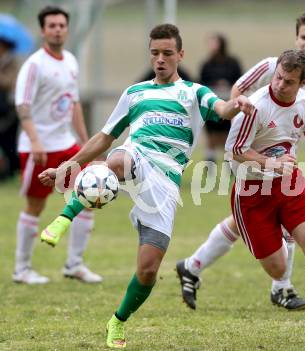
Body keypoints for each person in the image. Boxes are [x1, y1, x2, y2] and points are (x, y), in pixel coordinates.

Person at [38, 24, 254, 349]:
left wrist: (237, 103)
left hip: (165, 183)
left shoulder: (194, 93)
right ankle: (63, 219)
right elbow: (104, 137)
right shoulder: (135, 93)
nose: (161, 59)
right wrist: (67, 167)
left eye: (168, 53)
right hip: (137, 153)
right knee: (116, 160)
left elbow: (221, 109)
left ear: (180, 54)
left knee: (149, 269)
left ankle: (117, 321)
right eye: (155, 53)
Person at [177, 11, 305, 311]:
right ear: (296, 37)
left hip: (285, 152)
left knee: (274, 223)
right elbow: (238, 91)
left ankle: (194, 267)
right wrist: (249, 113)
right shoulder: (272, 66)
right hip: (251, 150)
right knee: (257, 219)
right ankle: (280, 285)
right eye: (303, 36)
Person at [227, 49, 305, 343]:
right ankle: (277, 234)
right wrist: (270, 163)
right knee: (278, 268)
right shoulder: (256, 107)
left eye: (288, 82)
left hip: (289, 183)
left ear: (302, 83)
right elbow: (236, 151)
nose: (279, 85)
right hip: (251, 191)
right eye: (278, 78)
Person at [13, 6, 102, 284]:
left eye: (62, 25)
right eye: (52, 25)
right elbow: (22, 106)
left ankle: (74, 264)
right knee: (35, 206)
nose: (57, 30)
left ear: (67, 28)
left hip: (67, 146)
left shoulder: (71, 62)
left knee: (89, 196)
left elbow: (73, 104)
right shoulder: (34, 65)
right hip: (38, 148)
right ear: (43, 30)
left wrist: (86, 143)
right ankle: (22, 269)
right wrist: (36, 141)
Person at [199, 33, 242, 167]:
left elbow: (240, 80)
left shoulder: (233, 63)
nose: (212, 46)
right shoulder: (206, 64)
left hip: (229, 104)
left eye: (214, 42)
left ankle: (229, 165)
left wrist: (227, 84)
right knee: (211, 138)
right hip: (213, 106)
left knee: (228, 136)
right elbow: (201, 82)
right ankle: (209, 166)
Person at [0, 37, 20, 179]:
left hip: (9, 110)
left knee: (9, 142)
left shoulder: (13, 63)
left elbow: (9, 82)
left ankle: (12, 171)